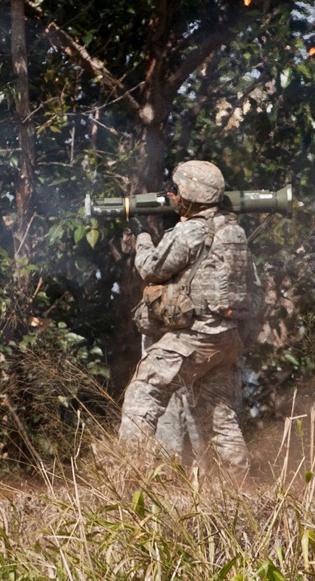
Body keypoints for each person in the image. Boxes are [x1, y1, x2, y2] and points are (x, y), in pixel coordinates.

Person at [118, 160, 255, 474]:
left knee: (144, 390)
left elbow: (151, 268)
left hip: (197, 336)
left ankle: (128, 475)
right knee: (220, 420)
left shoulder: (192, 230)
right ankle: (236, 493)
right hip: (227, 338)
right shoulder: (234, 231)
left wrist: (141, 236)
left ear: (190, 194)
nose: (172, 194)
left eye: (177, 190)